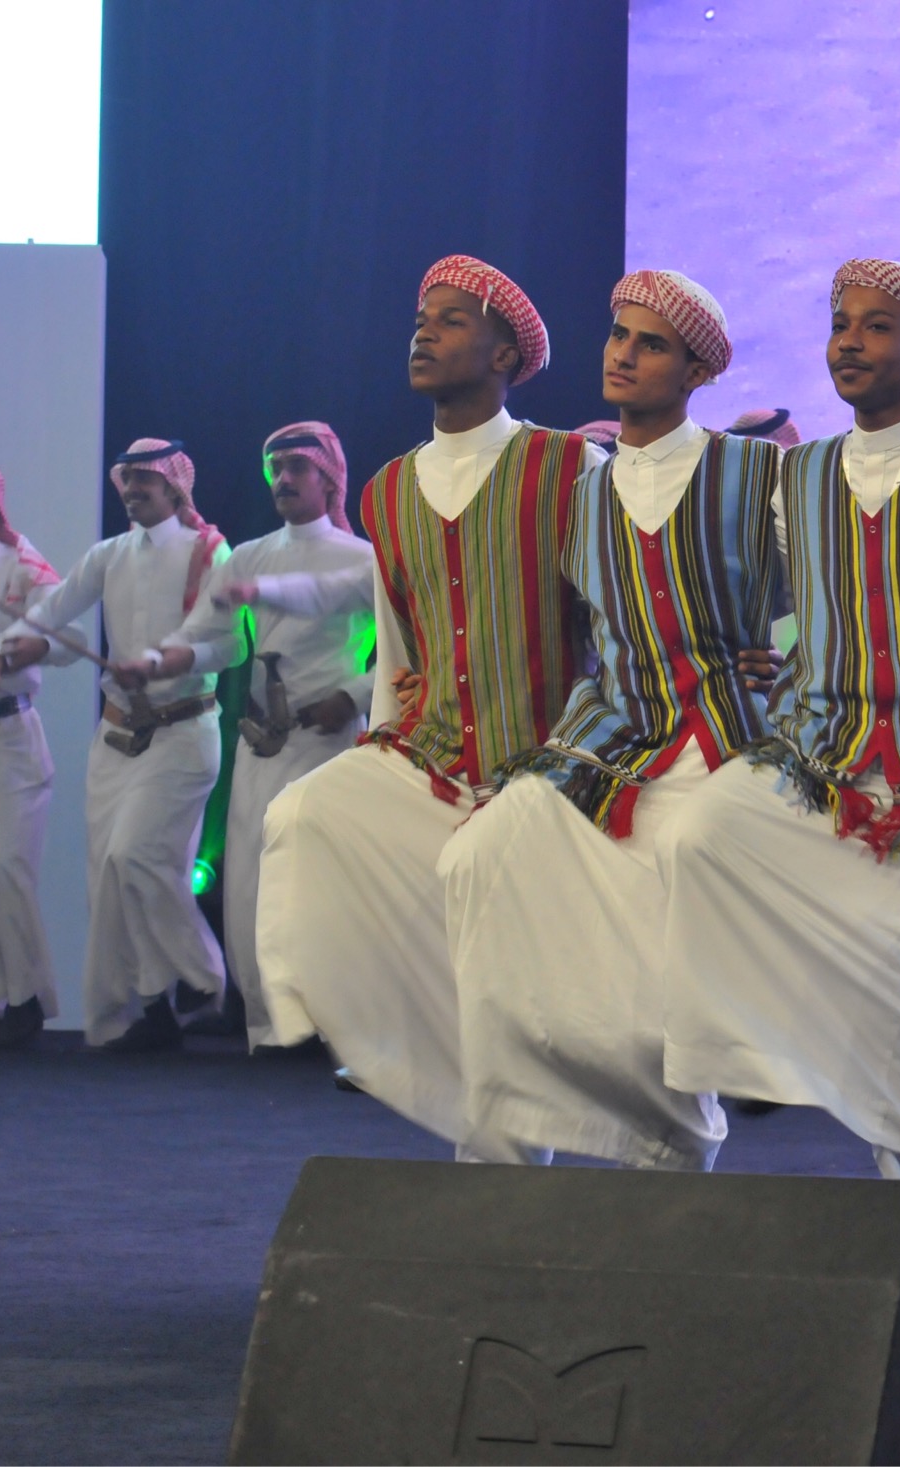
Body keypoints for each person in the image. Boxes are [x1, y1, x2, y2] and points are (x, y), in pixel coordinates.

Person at [657, 259, 900, 1187]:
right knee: (702, 834)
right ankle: (768, 1055)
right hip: (819, 763)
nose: (849, 342)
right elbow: (768, 594)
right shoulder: (798, 476)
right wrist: (760, 650)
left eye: (876, 326)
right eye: (841, 323)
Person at [255, 256, 599, 1148]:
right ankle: (360, 1025)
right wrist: (384, 742)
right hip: (434, 754)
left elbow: (618, 622)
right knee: (303, 813)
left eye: (450, 319)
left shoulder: (571, 466)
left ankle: (521, 1152)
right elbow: (398, 649)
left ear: (504, 355)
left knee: (519, 984)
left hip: (551, 763)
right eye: (420, 317)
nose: (423, 331)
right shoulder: (386, 489)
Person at [440, 269, 777, 1168]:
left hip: (719, 739)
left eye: (651, 344)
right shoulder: (585, 488)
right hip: (609, 737)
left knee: (662, 933)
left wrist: (799, 663)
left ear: (696, 372)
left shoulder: (755, 473)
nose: (624, 354)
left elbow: (848, 578)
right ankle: (502, 1145)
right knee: (477, 857)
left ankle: (672, 1144)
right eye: (619, 334)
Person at [0, 440, 235, 1050]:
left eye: (144, 479)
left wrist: (160, 662)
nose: (131, 490)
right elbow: (51, 612)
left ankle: (201, 977)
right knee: (109, 880)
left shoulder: (210, 552)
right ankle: (150, 1009)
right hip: (116, 738)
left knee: (134, 856)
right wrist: (8, 651)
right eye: (126, 479)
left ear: (174, 486)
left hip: (182, 731)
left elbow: (231, 646)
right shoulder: (108, 555)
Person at [149, 424, 374, 1048]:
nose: (283, 480)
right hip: (260, 740)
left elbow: (405, 652)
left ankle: (328, 1026)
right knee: (250, 881)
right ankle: (269, 1026)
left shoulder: (363, 559)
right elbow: (210, 637)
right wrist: (162, 660)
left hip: (328, 744)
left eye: (297, 468)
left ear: (328, 478)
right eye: (275, 469)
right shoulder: (248, 555)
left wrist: (352, 697)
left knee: (318, 884)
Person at [0, 456, 62, 1048]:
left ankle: (26, 997)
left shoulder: (19, 558)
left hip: (5, 740)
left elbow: (57, 624)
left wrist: (9, 657)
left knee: (1, 869)